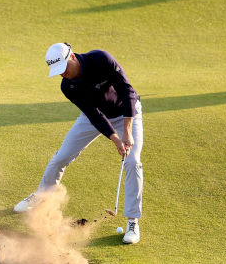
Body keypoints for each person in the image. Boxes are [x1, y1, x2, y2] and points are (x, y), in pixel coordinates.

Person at [14, 43, 143, 244]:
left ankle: (133, 221)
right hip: (94, 117)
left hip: (127, 113)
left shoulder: (101, 59)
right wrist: (114, 138)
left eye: (64, 69)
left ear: (72, 56)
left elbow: (128, 92)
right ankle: (42, 195)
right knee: (62, 157)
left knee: (133, 162)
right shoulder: (67, 86)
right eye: (58, 72)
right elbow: (93, 114)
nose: (63, 74)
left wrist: (126, 131)